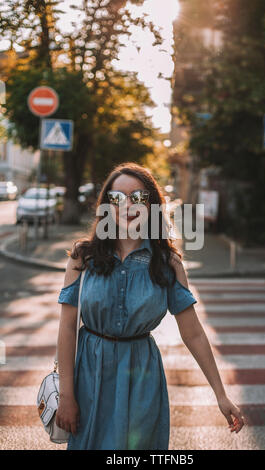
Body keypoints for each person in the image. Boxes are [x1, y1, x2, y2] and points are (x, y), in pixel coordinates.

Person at [55, 162, 244, 450]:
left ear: (151, 205)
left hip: (141, 377)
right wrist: (67, 395)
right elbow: (67, 328)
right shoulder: (84, 256)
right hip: (88, 376)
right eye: (117, 198)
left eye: (138, 198)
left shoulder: (167, 263)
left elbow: (193, 333)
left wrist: (221, 394)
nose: (127, 206)